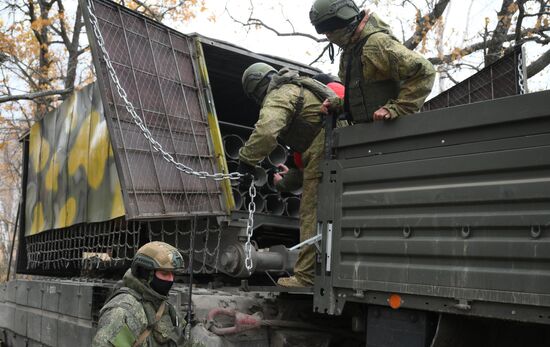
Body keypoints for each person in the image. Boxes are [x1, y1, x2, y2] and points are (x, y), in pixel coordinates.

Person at [237, 63, 336, 288]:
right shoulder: (298, 88)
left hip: (324, 147)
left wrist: (246, 161)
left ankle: (305, 277)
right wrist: (285, 183)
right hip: (328, 147)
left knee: (311, 213)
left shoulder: (279, 94)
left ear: (255, 90)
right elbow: (307, 165)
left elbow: (266, 131)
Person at [309, 0, 436, 122]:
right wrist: (339, 105)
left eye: (330, 29)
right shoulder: (350, 52)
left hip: (397, 133)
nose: (328, 36)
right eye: (323, 31)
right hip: (370, 135)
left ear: (344, 21)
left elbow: (425, 70)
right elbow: (368, 98)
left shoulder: (376, 43)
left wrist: (398, 108)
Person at [92, 241, 186, 346]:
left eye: (173, 274)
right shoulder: (123, 312)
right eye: (164, 273)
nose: (171, 279)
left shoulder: (161, 304)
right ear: (145, 273)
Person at [274, 73, 345, 193]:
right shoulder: (347, 101)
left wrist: (281, 183)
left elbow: (305, 167)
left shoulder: (313, 113)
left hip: (323, 186)